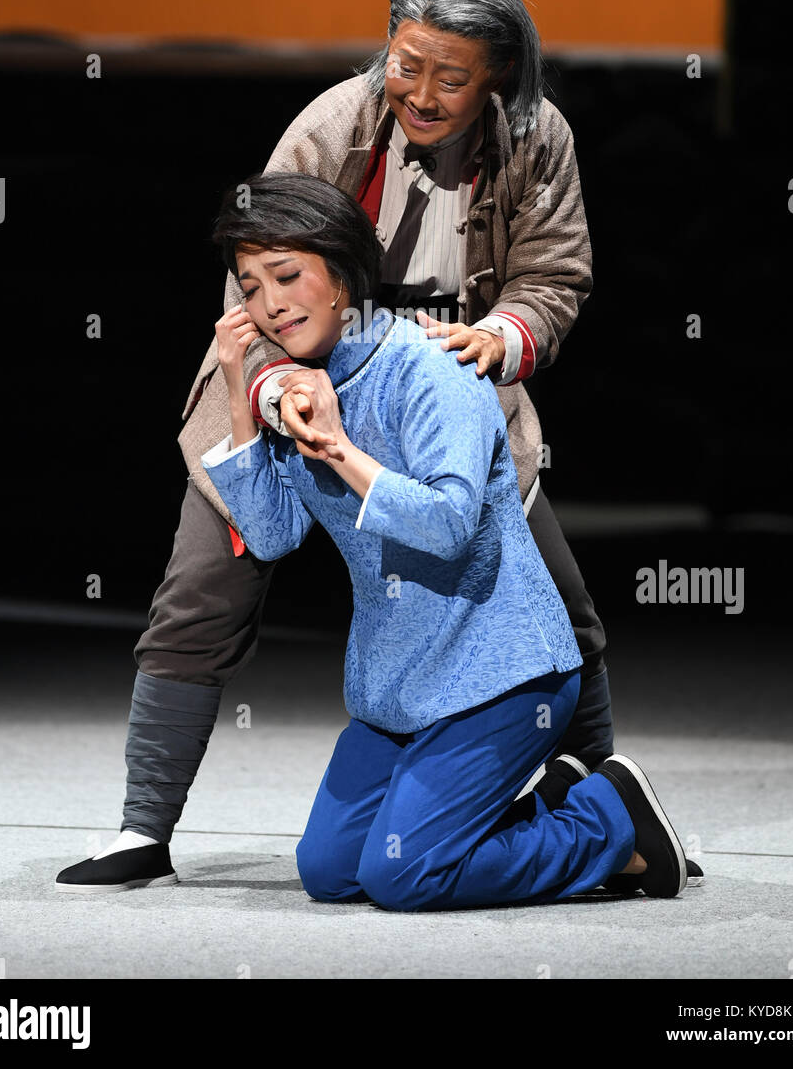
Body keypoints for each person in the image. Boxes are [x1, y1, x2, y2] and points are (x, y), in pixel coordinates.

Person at [55, 0, 700, 893]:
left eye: (451, 75)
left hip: (441, 377)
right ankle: (141, 828)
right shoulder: (332, 124)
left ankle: (594, 795)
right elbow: (262, 274)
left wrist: (500, 340)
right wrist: (271, 393)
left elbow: (554, 275)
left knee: (556, 606)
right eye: (407, 64)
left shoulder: (535, 139)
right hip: (291, 374)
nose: (422, 92)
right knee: (200, 593)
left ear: (500, 77)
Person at [204, 172, 686, 908]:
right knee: (331, 873)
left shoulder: (432, 368)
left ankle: (608, 820)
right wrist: (242, 390)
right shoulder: (298, 388)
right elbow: (270, 537)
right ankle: (546, 803)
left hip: (503, 676)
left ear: (340, 274)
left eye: (287, 275)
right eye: (250, 284)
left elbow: (450, 528)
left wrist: (338, 450)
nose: (268, 303)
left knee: (405, 876)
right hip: (401, 689)